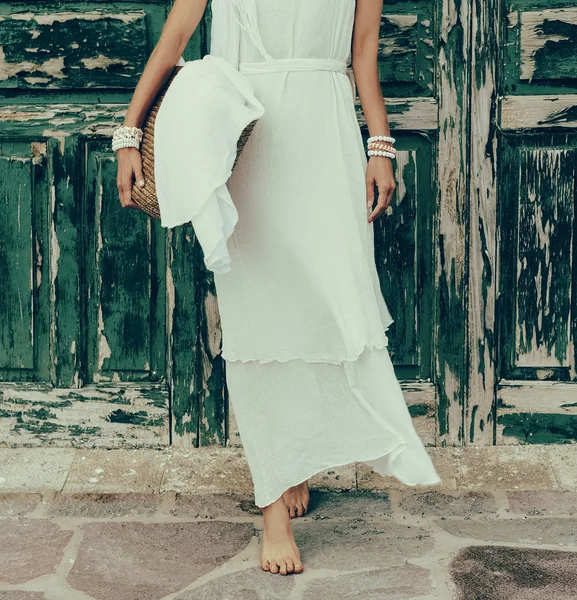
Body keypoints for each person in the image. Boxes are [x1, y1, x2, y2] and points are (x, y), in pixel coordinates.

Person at [115, 0, 441, 576]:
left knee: (325, 303)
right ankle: (273, 509)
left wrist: (380, 147)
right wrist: (129, 131)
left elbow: (362, 55)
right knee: (259, 313)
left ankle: (298, 459)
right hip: (252, 136)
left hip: (327, 133)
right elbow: (173, 43)